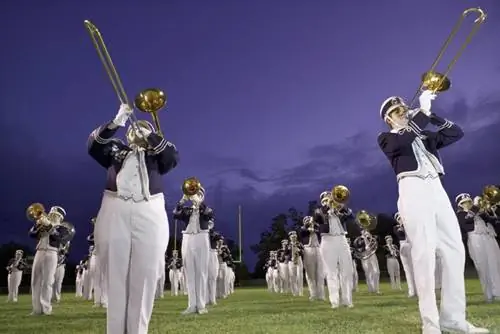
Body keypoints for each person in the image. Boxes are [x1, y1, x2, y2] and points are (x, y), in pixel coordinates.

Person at [377, 90, 488, 333]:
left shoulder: (425, 136)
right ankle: (431, 324)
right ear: (388, 118)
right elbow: (403, 141)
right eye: (397, 111)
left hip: (437, 189)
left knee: (455, 251)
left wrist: (433, 116)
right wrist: (423, 113)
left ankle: (453, 319)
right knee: (424, 254)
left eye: (404, 108)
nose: (403, 112)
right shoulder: (386, 138)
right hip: (412, 188)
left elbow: (455, 133)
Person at [88, 104, 178, 334]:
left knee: (146, 273)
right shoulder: (116, 150)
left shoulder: (156, 155)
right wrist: (117, 121)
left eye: (143, 128)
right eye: (135, 128)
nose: (138, 130)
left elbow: (172, 158)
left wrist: (151, 136)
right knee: (115, 274)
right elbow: (93, 147)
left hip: (150, 210)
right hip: (116, 207)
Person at [173, 186, 214, 314]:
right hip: (187, 238)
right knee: (189, 272)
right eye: (193, 193)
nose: (194, 195)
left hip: (201, 237)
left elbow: (208, 214)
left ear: (202, 195)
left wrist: (199, 203)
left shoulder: (206, 209)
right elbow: (175, 214)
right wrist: (182, 200)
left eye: (198, 193)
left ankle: (201, 305)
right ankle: (191, 305)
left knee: (201, 272)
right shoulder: (186, 210)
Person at [29, 206, 66, 315]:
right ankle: (36, 309)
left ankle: (46, 308)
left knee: (47, 281)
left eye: (55, 215)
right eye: (51, 213)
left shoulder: (62, 227)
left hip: (51, 252)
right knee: (35, 281)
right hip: (39, 251)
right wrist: (37, 226)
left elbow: (59, 237)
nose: (51, 216)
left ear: (60, 217)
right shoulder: (42, 223)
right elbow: (31, 234)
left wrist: (49, 226)